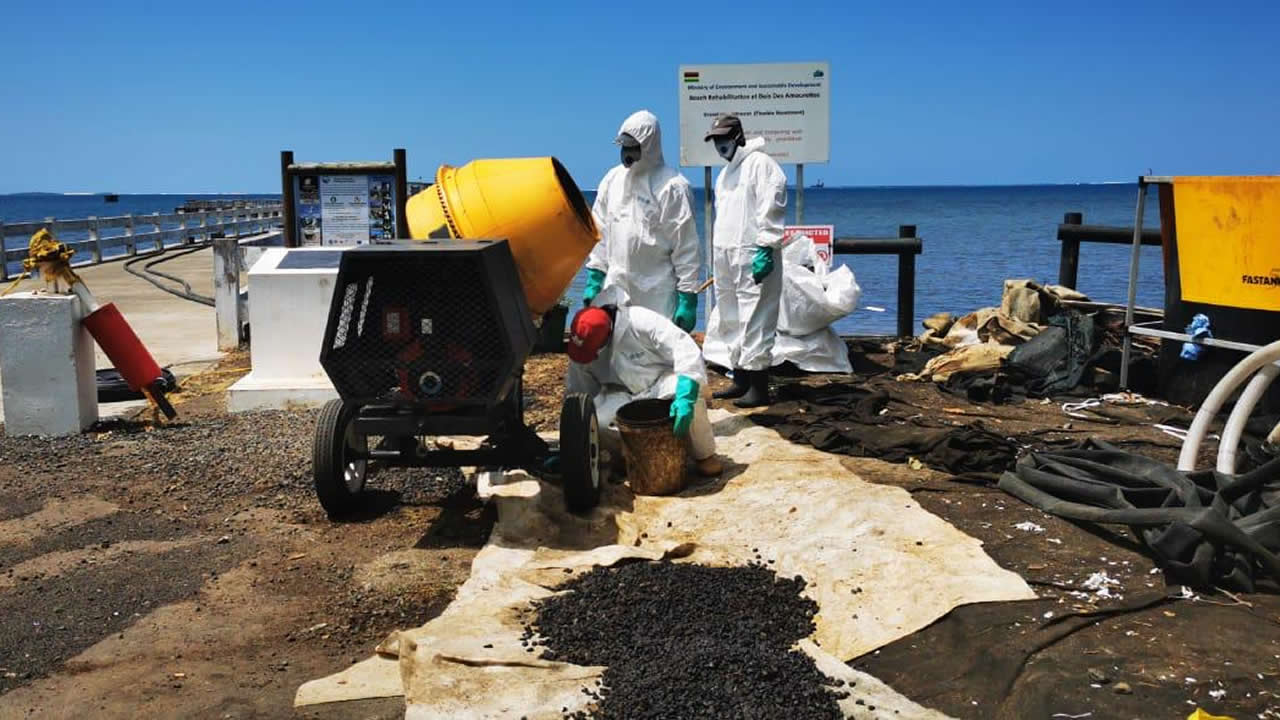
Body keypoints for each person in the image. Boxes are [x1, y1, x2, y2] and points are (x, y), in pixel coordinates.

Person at [565, 289, 722, 477]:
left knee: (690, 396)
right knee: (599, 419)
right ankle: (625, 457)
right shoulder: (583, 344)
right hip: (620, 392)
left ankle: (703, 455)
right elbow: (579, 392)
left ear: (607, 335)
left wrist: (685, 391)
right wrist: (571, 441)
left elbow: (683, 347)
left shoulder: (640, 320)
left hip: (661, 380)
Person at [582, 110, 701, 333]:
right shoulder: (612, 180)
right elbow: (601, 232)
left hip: (656, 292)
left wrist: (687, 297)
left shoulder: (672, 186)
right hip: (616, 286)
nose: (627, 153)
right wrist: (595, 277)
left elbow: (685, 246)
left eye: (633, 147)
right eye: (624, 146)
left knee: (654, 355)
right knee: (616, 351)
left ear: (649, 146)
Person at [703, 114, 788, 407]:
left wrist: (766, 245)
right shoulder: (724, 175)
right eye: (716, 140)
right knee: (730, 317)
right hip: (727, 257)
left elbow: (773, 202)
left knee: (755, 317)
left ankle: (759, 386)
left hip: (753, 256)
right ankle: (740, 379)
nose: (720, 145)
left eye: (724, 138)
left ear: (739, 135)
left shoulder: (760, 164)